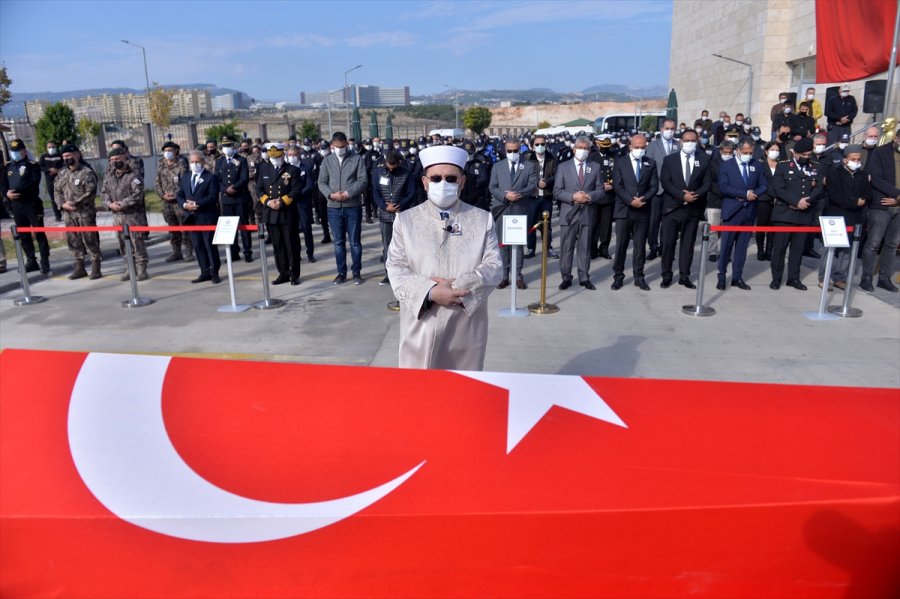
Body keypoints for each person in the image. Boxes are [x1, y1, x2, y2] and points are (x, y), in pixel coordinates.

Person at [385, 145, 502, 370]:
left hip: (465, 322)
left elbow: (494, 266)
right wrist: (430, 292)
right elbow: (396, 267)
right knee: (419, 385)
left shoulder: (482, 219)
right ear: (425, 182)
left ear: (462, 182)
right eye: (436, 178)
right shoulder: (406, 220)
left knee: (462, 384)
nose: (443, 183)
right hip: (421, 322)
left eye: (451, 178)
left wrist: (456, 290)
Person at [659, 129, 712, 289]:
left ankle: (684, 276)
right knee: (668, 244)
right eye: (687, 140)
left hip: (693, 209)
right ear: (681, 141)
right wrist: (682, 196)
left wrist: (695, 195)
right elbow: (666, 182)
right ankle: (666, 276)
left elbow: (707, 183)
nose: (690, 143)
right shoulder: (670, 160)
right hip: (672, 209)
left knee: (688, 245)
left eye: (693, 140)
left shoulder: (704, 160)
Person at [769, 138, 825, 290]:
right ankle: (776, 278)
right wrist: (795, 202)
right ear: (795, 153)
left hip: (804, 214)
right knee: (779, 248)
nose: (806, 157)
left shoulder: (816, 167)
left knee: (798, 249)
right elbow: (778, 189)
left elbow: (819, 187)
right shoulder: (783, 166)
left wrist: (807, 201)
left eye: (808, 155)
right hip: (785, 214)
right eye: (803, 155)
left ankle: (793, 278)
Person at [554, 135, 607, 290]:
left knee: (585, 247)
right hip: (569, 213)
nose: (583, 151)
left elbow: (601, 190)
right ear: (574, 149)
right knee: (567, 247)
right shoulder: (563, 167)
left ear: (589, 150)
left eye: (586, 148)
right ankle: (566, 276)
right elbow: (557, 191)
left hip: (587, 212)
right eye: (580, 148)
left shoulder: (595, 167)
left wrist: (589, 196)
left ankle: (584, 276)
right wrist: (573, 197)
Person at [715, 139, 768, 290]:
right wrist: (744, 194)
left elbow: (764, 185)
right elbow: (723, 187)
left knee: (742, 248)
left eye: (750, 153)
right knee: (726, 246)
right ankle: (721, 276)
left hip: (749, 212)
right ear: (737, 151)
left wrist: (754, 194)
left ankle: (737, 277)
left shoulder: (756, 165)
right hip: (732, 212)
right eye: (745, 152)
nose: (748, 155)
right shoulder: (727, 165)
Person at [317, 131, 368, 285]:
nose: (340, 149)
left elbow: (363, 180)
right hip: (333, 208)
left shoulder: (356, 159)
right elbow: (321, 182)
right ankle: (341, 273)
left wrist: (348, 193)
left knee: (355, 242)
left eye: (343, 146)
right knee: (338, 243)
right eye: (337, 147)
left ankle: (356, 272)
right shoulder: (327, 161)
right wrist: (331, 194)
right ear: (332, 145)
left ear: (346, 144)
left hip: (352, 206)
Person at [818, 145, 868, 290]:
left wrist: (860, 201)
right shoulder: (834, 173)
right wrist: (854, 202)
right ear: (845, 160)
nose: (856, 162)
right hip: (836, 215)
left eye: (858, 159)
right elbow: (835, 196)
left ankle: (840, 277)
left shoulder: (862, 174)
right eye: (853, 159)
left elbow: (867, 194)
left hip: (855, 217)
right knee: (829, 249)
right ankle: (824, 277)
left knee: (847, 250)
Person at [611, 134, 658, 290]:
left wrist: (643, 199)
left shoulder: (650, 163)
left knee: (640, 245)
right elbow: (618, 186)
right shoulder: (620, 162)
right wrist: (631, 201)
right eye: (637, 147)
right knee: (621, 245)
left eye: (643, 147)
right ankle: (618, 276)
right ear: (630, 146)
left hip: (642, 210)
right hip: (624, 210)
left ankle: (639, 276)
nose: (640, 149)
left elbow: (654, 186)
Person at [488, 138, 536, 289]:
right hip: (502, 208)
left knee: (518, 244)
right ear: (505, 150)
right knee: (502, 244)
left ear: (520, 149)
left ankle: (518, 276)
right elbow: (492, 186)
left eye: (515, 150)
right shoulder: (497, 166)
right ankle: (504, 276)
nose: (512, 153)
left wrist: (518, 194)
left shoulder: (529, 166)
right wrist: (505, 195)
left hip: (519, 207)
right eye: (509, 151)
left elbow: (532, 185)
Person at [0, 139, 51, 274]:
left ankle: (45, 261)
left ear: (24, 151)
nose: (15, 153)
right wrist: (6, 193)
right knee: (24, 235)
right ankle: (31, 260)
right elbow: (3, 184)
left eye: (18, 151)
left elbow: (33, 183)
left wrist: (17, 191)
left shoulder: (32, 165)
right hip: (17, 206)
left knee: (39, 233)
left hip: (31, 204)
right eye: (13, 151)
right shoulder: (7, 167)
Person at [256, 144, 303, 285]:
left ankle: (294, 274)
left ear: (283, 155)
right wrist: (268, 202)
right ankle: (283, 273)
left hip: (287, 213)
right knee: (278, 246)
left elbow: (296, 190)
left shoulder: (292, 170)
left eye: (277, 157)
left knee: (291, 245)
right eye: (272, 157)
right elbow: (259, 189)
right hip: (270, 213)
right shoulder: (264, 168)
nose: (274, 159)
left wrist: (281, 202)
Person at [54, 144, 102, 279]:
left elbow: (91, 192)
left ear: (77, 155)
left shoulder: (86, 172)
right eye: (64, 156)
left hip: (84, 213)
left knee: (90, 239)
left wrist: (75, 203)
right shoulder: (62, 173)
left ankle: (96, 267)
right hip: (68, 214)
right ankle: (80, 267)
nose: (66, 158)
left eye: (68, 155)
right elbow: (56, 191)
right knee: (73, 240)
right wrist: (62, 204)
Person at [860, 133, 900, 292]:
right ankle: (866, 277)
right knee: (873, 243)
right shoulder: (880, 152)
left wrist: (898, 200)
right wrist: (897, 195)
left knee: (891, 245)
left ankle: (884, 278)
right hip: (881, 205)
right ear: (896, 138)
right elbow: (876, 178)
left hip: (898, 206)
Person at [103, 148, 149, 281]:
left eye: (117, 159)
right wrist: (109, 204)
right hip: (117, 217)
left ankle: (141, 269)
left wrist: (122, 204)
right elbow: (104, 193)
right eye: (112, 160)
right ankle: (130, 268)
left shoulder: (133, 175)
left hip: (132, 216)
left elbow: (138, 194)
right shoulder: (110, 176)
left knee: (137, 242)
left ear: (124, 158)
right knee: (123, 243)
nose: (114, 162)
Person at [371, 151, 416, 286]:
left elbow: (411, 193)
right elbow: (375, 192)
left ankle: (406, 273)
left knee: (405, 246)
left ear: (398, 163)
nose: (391, 169)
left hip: (402, 215)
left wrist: (399, 205)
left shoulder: (406, 174)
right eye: (389, 166)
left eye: (393, 166)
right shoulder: (378, 173)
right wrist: (385, 206)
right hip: (385, 216)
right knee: (387, 247)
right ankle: (388, 275)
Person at [177, 150, 221, 284]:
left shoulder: (211, 177)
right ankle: (204, 271)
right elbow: (180, 194)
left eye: (197, 162)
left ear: (202, 162)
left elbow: (212, 197)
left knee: (209, 246)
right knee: (198, 246)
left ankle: (214, 272)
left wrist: (197, 204)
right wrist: (185, 205)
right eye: (192, 162)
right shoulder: (185, 177)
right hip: (191, 218)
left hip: (206, 217)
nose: (194, 164)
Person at [645, 118, 681, 260]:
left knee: (668, 222)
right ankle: (653, 247)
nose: (670, 131)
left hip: (672, 191)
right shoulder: (653, 145)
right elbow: (648, 166)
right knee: (653, 221)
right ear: (661, 129)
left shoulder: (678, 145)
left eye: (672, 129)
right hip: (657, 190)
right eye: (667, 128)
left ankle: (665, 248)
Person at [215, 135, 253, 263]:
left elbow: (244, 178)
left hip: (240, 198)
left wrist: (234, 187)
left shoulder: (241, 160)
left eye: (229, 146)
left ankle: (247, 252)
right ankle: (233, 252)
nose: (227, 148)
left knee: (244, 226)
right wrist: (225, 189)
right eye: (224, 146)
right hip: (226, 199)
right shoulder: (219, 162)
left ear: (233, 147)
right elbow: (216, 179)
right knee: (230, 227)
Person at [155, 141, 193, 262]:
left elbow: (185, 181)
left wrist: (176, 195)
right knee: (172, 228)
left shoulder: (182, 163)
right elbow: (157, 183)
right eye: (165, 151)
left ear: (176, 151)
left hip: (179, 202)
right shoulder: (161, 164)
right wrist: (163, 195)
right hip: (167, 202)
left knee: (184, 227)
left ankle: (188, 251)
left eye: (170, 150)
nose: (167, 153)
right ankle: (176, 252)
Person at [525, 135, 558, 259]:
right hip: (532, 196)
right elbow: (525, 176)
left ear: (546, 145)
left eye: (542, 144)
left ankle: (548, 247)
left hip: (546, 196)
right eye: (537, 144)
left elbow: (556, 174)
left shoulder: (552, 158)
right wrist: (536, 183)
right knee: (531, 223)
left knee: (546, 224)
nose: (540, 146)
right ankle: (531, 248)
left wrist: (547, 182)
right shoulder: (527, 159)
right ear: (533, 146)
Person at [286, 145, 317, 263]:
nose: (292, 157)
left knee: (306, 229)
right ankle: (296, 254)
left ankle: (310, 253)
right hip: (290, 204)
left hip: (303, 203)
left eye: (294, 155)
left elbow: (309, 185)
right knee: (293, 231)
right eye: (289, 155)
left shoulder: (306, 168)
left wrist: (297, 194)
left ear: (298, 155)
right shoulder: (286, 168)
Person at [588, 135, 616, 260]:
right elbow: (588, 177)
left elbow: (618, 173)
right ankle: (592, 249)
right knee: (594, 224)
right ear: (597, 143)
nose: (606, 148)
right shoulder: (591, 157)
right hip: (595, 196)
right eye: (603, 146)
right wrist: (600, 186)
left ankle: (604, 249)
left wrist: (612, 184)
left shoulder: (614, 156)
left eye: (607, 146)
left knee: (606, 225)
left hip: (609, 195)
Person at [755, 140, 782, 261]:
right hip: (763, 198)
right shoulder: (760, 164)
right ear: (766, 151)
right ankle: (760, 250)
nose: (775, 152)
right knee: (761, 225)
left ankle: (769, 250)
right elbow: (760, 182)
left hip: (777, 200)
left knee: (773, 226)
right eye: (772, 150)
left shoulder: (782, 165)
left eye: (777, 150)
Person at [38, 140, 64, 221]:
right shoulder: (44, 157)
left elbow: (64, 165)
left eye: (53, 147)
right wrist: (48, 170)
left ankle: (65, 212)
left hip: (61, 179)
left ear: (56, 147)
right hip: (50, 180)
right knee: (53, 199)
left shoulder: (60, 156)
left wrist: (58, 170)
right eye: (49, 147)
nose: (51, 148)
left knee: (64, 196)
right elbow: (40, 166)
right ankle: (58, 216)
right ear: (46, 148)